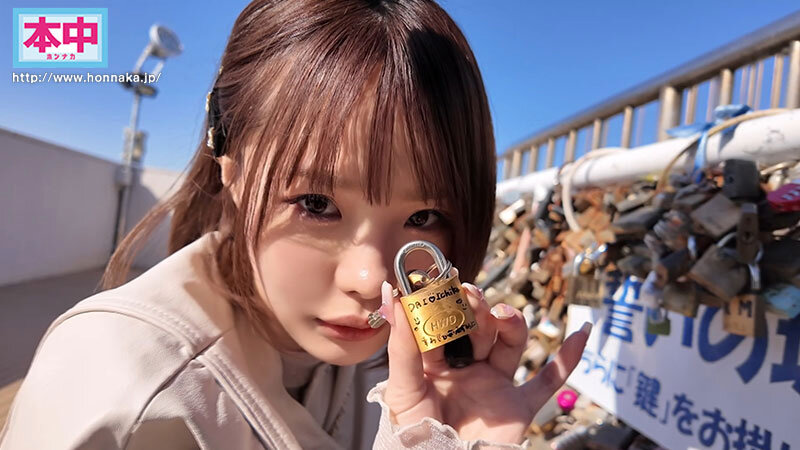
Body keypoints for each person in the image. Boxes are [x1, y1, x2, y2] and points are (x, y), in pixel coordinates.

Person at [0, 0, 590, 448]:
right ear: (230, 167)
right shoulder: (125, 390)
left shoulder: (387, 372)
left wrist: (435, 436)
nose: (370, 280)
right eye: (315, 203)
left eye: (424, 216)